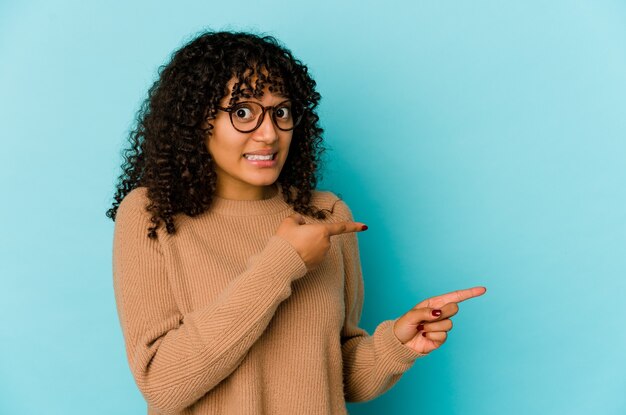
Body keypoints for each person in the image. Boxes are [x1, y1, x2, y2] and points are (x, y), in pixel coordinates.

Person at [107, 30, 486, 415]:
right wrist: (281, 263)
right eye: (242, 112)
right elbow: (162, 384)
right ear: (195, 120)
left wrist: (397, 344)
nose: (269, 134)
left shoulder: (327, 215)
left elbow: (335, 376)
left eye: (281, 112)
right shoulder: (153, 213)